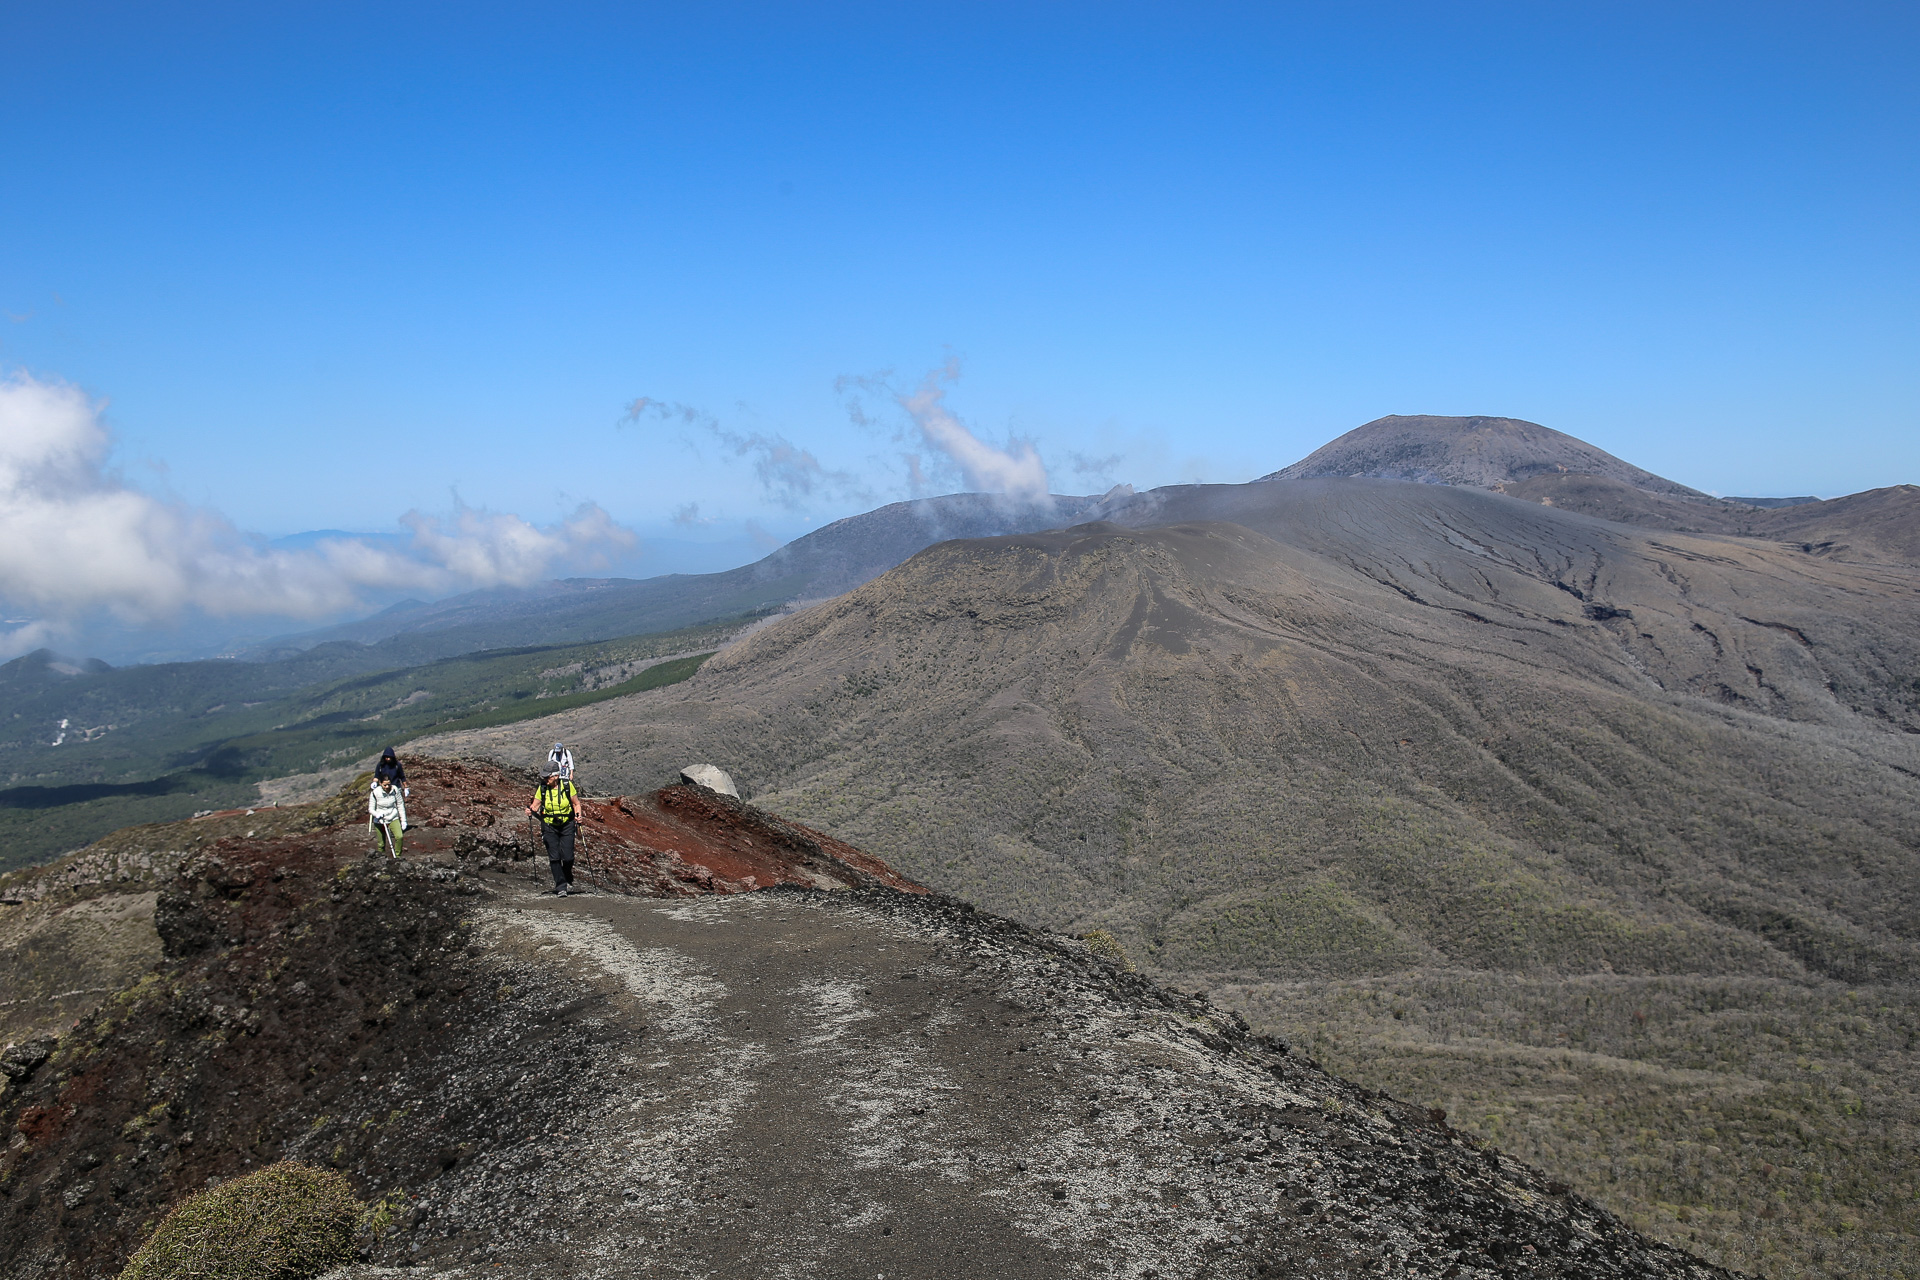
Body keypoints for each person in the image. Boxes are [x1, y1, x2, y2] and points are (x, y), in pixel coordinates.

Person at [527, 768, 581, 895]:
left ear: (556, 776)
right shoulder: (543, 788)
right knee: (554, 857)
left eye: (548, 777)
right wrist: (530, 810)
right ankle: (561, 886)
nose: (545, 779)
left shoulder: (567, 786)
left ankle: (567, 875)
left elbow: (576, 804)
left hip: (567, 824)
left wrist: (578, 816)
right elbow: (535, 806)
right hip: (549, 825)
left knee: (568, 857)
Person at [368, 775, 407, 859]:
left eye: (389, 784)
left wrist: (403, 820)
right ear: (380, 783)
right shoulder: (375, 793)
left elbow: (400, 804)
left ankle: (398, 857)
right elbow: (371, 809)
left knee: (399, 836)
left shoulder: (395, 790)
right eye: (385, 785)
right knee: (381, 843)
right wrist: (376, 814)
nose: (387, 787)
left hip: (392, 816)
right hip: (380, 819)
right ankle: (381, 859)